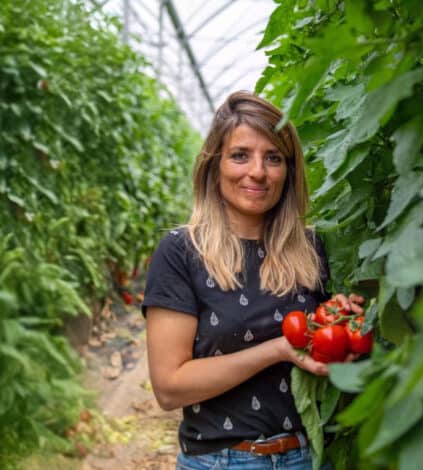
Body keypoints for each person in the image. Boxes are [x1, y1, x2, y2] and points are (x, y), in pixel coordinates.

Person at [141, 91, 364, 470]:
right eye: (240, 155)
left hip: (310, 457)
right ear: (214, 165)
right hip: (222, 461)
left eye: (273, 158)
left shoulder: (311, 249)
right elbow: (169, 387)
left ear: (288, 172)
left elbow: (328, 355)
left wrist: (344, 322)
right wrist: (277, 350)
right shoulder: (181, 252)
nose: (258, 171)